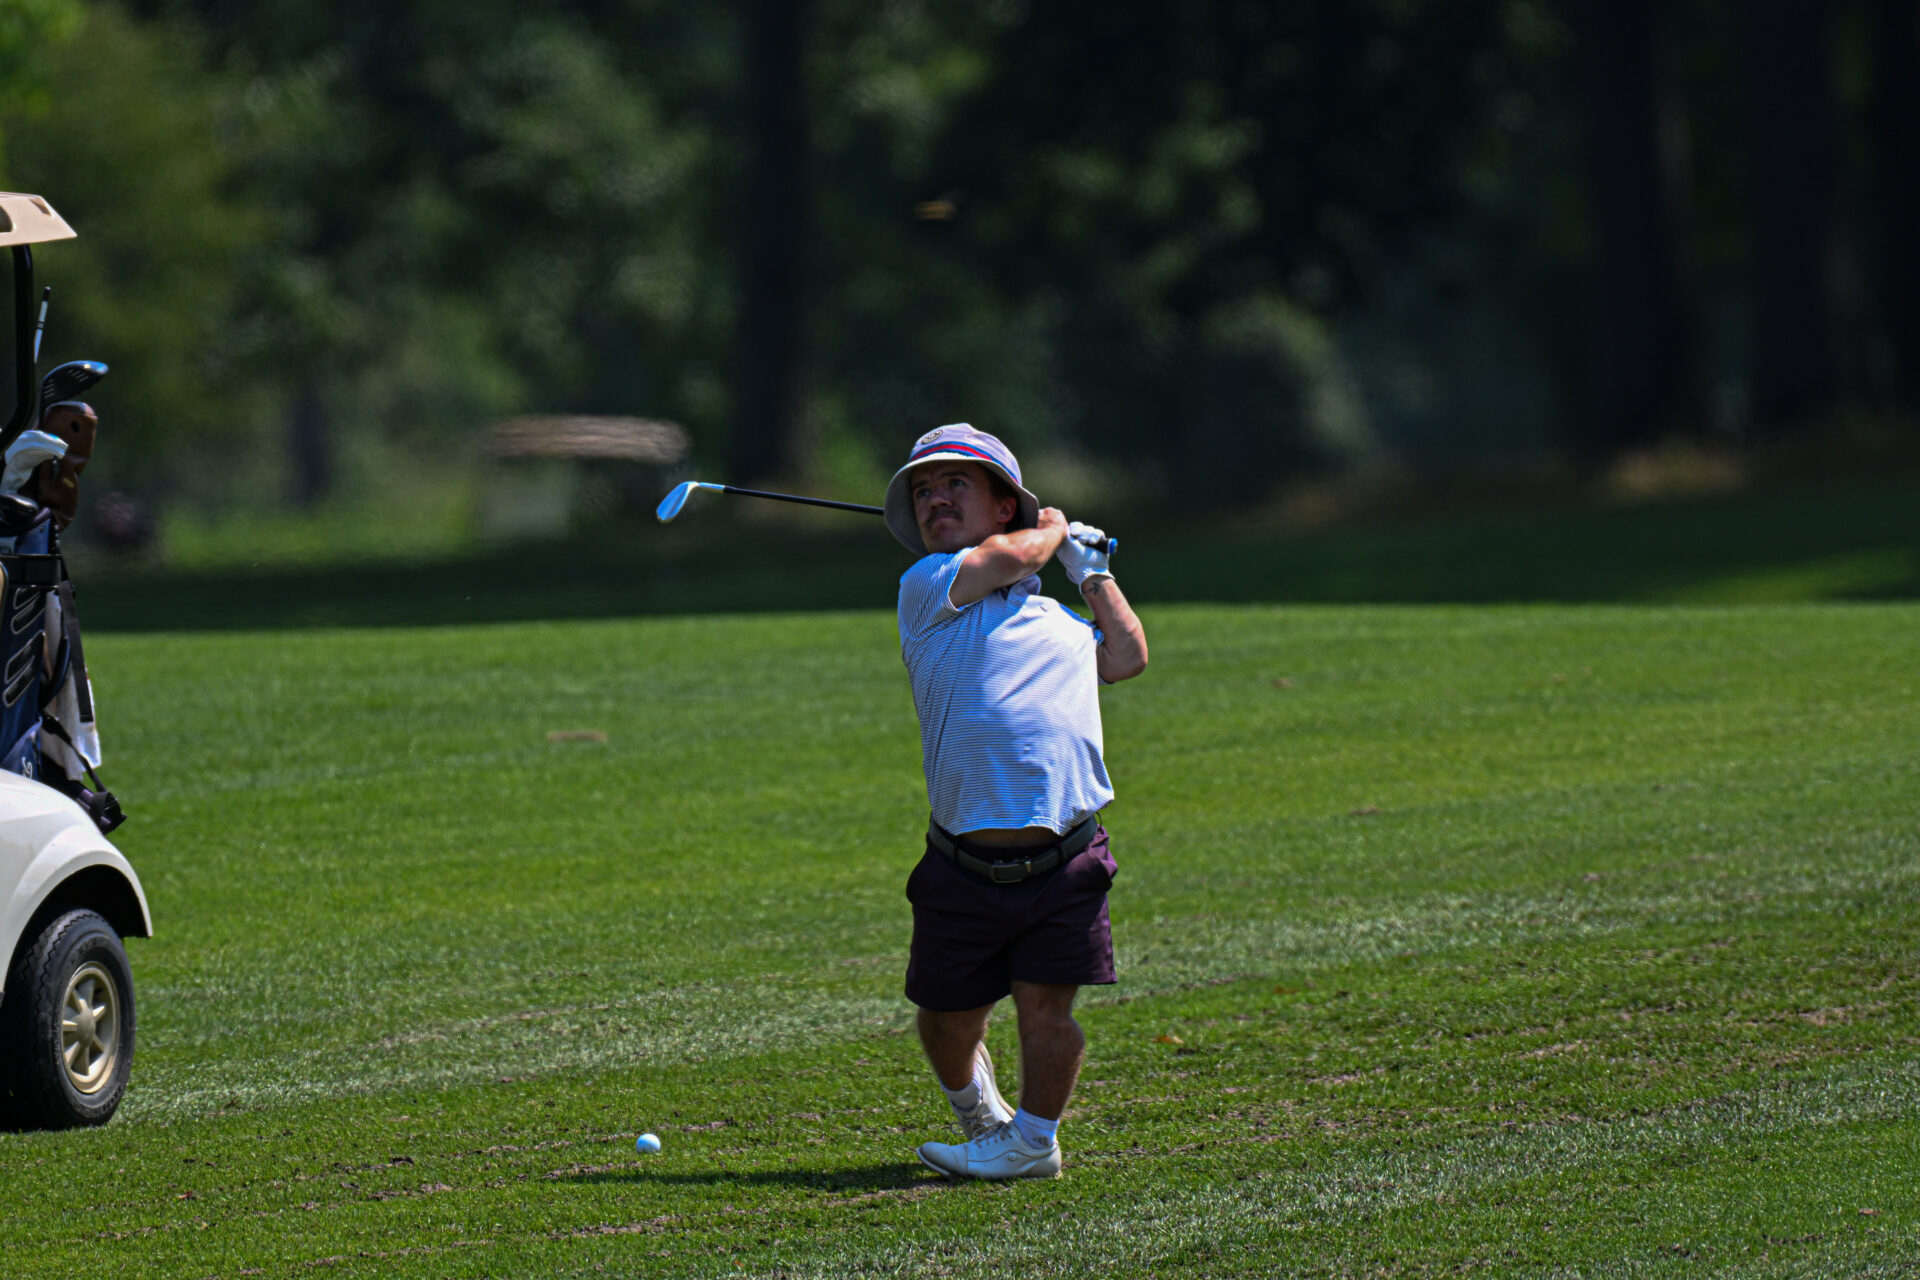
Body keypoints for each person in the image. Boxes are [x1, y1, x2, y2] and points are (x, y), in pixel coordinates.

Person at [884, 423, 1148, 1181]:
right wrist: (1057, 531)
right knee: (945, 1021)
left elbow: (1126, 656)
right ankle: (981, 1116)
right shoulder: (929, 588)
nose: (934, 500)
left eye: (954, 485)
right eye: (923, 491)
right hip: (961, 863)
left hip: (1065, 858)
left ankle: (1034, 1142)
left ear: (1004, 506)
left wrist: (1093, 576)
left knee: (1046, 1011)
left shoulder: (1059, 623)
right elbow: (1008, 559)